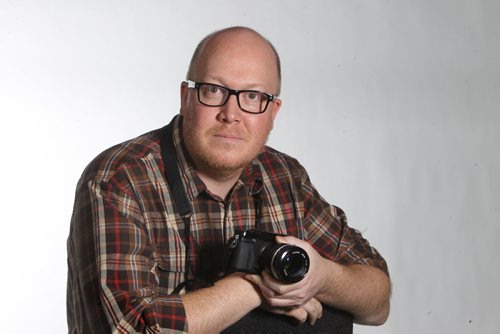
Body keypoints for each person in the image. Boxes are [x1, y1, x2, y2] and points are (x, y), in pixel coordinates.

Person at [67, 26, 391, 333]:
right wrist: (254, 286)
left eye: (252, 96)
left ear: (273, 112)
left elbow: (377, 303)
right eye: (214, 90)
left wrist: (322, 278)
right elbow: (131, 328)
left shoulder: (285, 177)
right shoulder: (119, 179)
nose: (231, 113)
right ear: (186, 97)